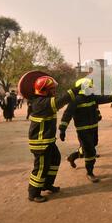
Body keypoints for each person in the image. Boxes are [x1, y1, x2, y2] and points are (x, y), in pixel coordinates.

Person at [59, 78, 112, 183]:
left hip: (94, 128)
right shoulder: (75, 100)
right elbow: (67, 115)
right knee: (90, 150)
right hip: (83, 130)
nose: (91, 89)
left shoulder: (92, 97)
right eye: (89, 87)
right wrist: (62, 129)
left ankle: (73, 156)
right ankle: (90, 172)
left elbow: (106, 98)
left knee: (92, 145)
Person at [27, 75, 81, 203]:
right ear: (44, 90)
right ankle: (33, 193)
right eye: (52, 89)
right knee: (41, 167)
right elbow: (60, 101)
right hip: (40, 143)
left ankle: (47, 184)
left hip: (48, 141)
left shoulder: (44, 100)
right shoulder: (41, 103)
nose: (54, 91)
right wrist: (76, 89)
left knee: (55, 159)